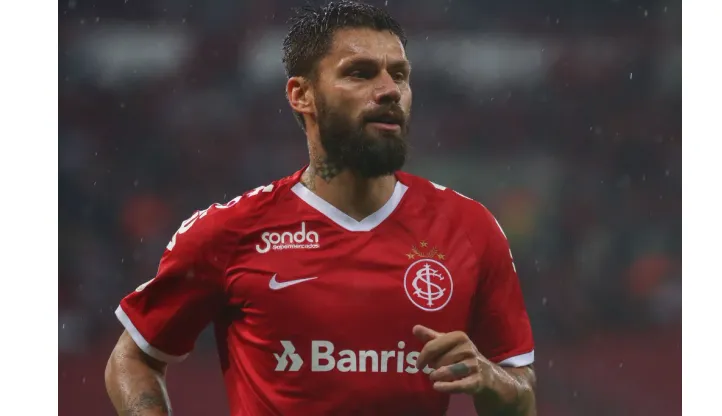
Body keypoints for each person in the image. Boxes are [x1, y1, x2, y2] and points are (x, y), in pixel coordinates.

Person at [104, 1, 536, 415]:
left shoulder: (470, 228)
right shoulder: (229, 231)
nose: (389, 90)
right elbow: (134, 358)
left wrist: (492, 380)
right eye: (361, 73)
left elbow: (521, 394)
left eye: (399, 75)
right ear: (301, 94)